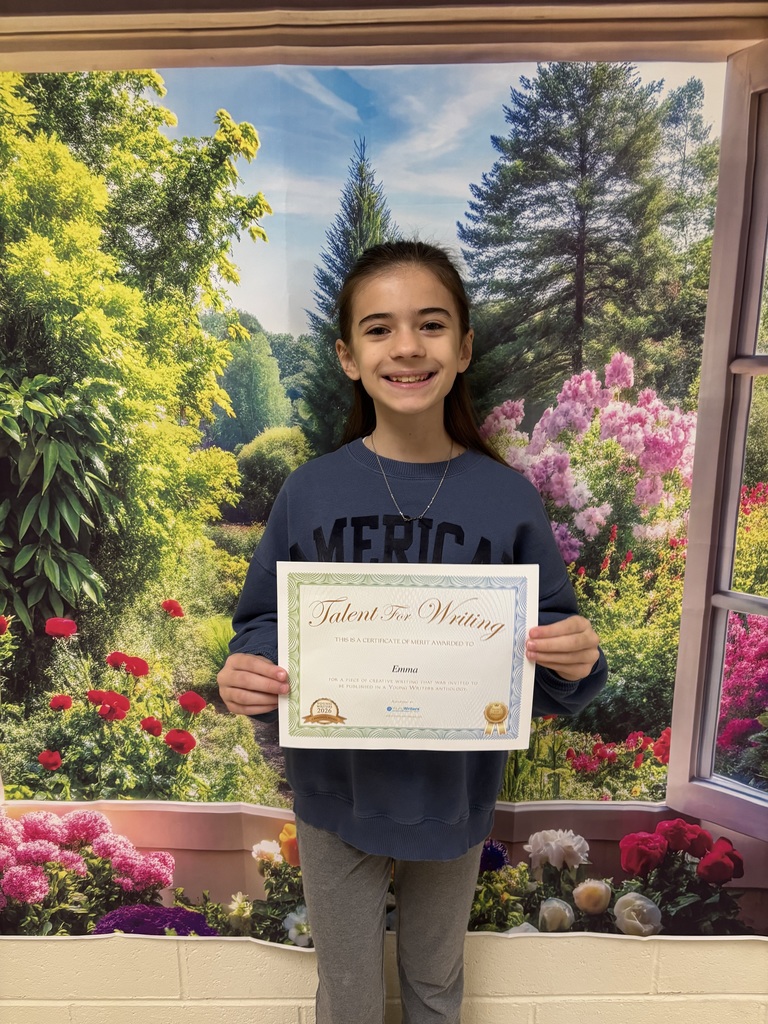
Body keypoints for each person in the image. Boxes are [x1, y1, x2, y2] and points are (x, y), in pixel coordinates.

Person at [218, 240, 607, 1024]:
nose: (406, 347)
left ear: (462, 348)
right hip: (335, 792)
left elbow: (559, 648)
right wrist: (248, 670)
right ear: (347, 356)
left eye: (430, 325)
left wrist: (577, 655)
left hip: (453, 796)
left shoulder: (506, 499)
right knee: (349, 998)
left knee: (435, 990)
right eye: (378, 329)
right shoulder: (312, 491)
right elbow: (263, 618)